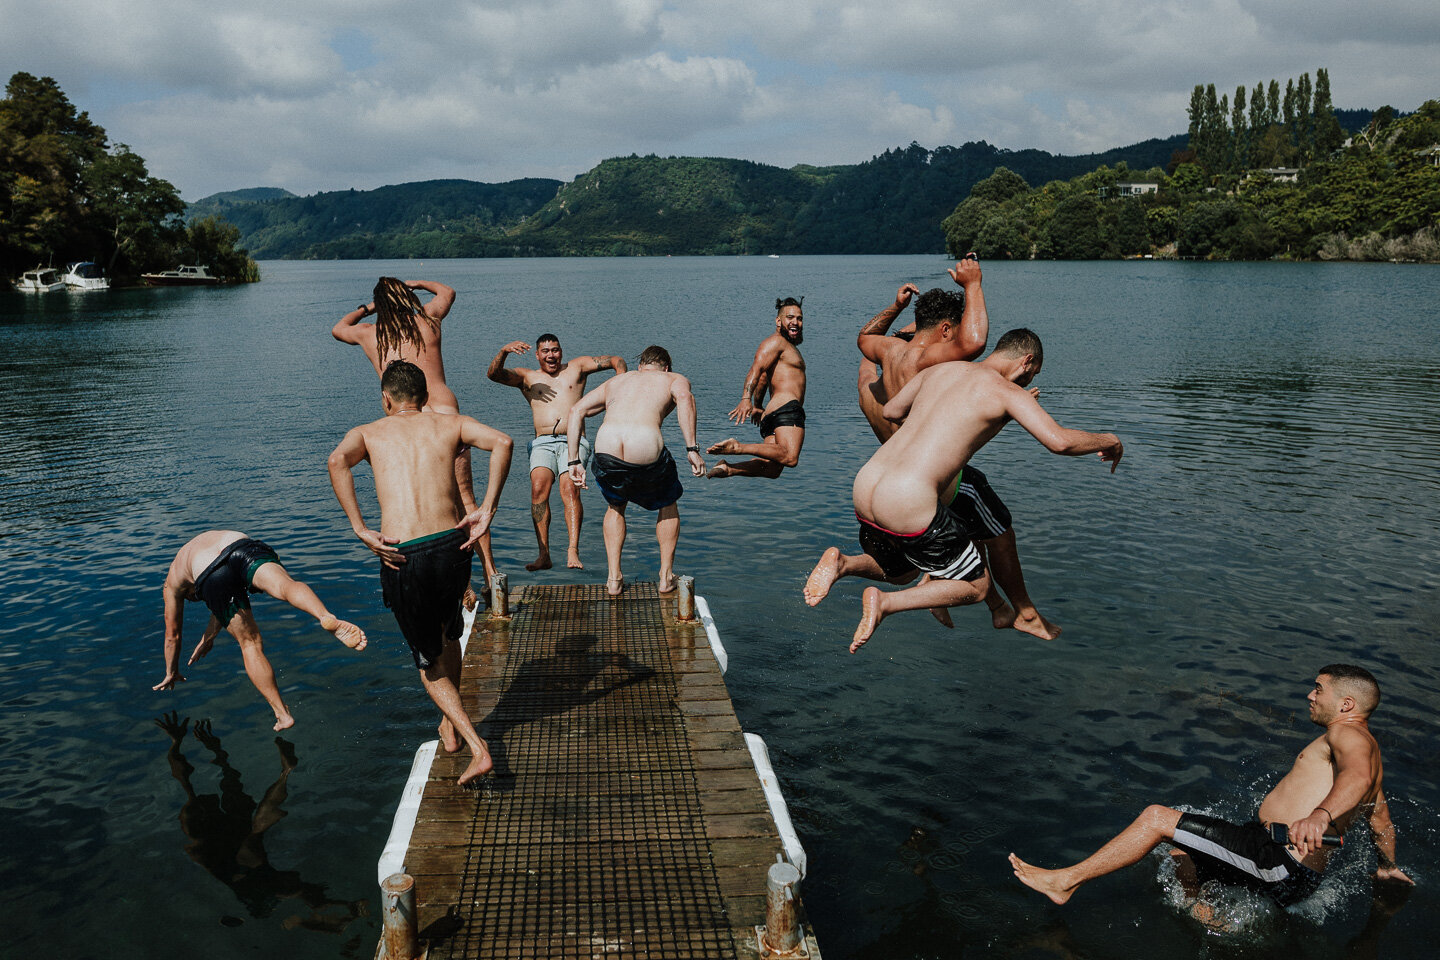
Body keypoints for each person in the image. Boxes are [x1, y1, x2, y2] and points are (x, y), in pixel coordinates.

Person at [804, 329, 1122, 651]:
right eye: (1032, 374)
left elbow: (891, 411)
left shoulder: (939, 371)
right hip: (907, 500)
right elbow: (1061, 441)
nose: (1027, 382)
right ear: (1026, 362)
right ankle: (885, 604)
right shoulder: (1008, 392)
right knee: (976, 586)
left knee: (901, 572)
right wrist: (1110, 439)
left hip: (867, 485)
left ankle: (842, 563)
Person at [1009, 665, 1414, 909]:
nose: (1310, 695)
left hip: (1277, 860)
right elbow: (1379, 818)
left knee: (1156, 818)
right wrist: (1387, 866)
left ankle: (1065, 882)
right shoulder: (1369, 751)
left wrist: (1320, 816)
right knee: (1180, 853)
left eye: (1318, 689)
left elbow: (1354, 778)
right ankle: (1207, 918)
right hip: (1284, 866)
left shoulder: (1350, 739)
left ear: (1346, 704)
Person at [327, 360, 513, 786]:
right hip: (452, 547)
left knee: (428, 664)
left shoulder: (368, 432)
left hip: (403, 555)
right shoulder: (450, 424)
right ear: (426, 398)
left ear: (386, 398)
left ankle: (479, 748)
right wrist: (486, 511)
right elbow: (503, 441)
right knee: (449, 634)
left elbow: (338, 462)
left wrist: (359, 528)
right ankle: (449, 727)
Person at [857, 259, 1059, 640]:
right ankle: (1017, 610)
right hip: (925, 478)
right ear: (945, 329)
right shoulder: (931, 361)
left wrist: (896, 308)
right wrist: (973, 284)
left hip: (887, 475)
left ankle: (986, 603)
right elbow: (976, 343)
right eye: (953, 333)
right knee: (996, 527)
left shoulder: (881, 361)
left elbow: (864, 338)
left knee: (952, 537)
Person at [331, 277, 499, 601]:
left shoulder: (370, 334)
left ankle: (462, 586)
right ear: (407, 297)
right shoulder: (428, 320)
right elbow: (448, 292)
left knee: (425, 500)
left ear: (380, 304)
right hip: (446, 415)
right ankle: (490, 574)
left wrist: (370, 307)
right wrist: (417, 284)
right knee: (465, 499)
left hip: (405, 421)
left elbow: (339, 328)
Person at [155, 530, 367, 731]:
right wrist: (208, 637)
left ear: (189, 592)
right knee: (285, 586)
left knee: (250, 645)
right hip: (241, 546)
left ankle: (282, 714)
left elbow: (172, 635)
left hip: (208, 572)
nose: (197, 598)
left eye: (195, 597)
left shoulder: (172, 584)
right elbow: (221, 604)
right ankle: (325, 616)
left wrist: (171, 671)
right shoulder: (196, 544)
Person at [565, 345, 705, 596]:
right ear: (666, 367)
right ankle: (665, 576)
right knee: (669, 501)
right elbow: (685, 399)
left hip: (606, 449)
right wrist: (692, 447)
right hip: (644, 447)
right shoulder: (673, 378)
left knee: (616, 505)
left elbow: (576, 410)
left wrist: (573, 461)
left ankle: (614, 579)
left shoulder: (618, 380)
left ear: (640, 366)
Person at [487, 334, 626, 571]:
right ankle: (544, 555)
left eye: (555, 350)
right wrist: (504, 351)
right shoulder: (526, 377)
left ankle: (573, 549)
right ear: (537, 354)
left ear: (561, 351)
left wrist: (621, 388)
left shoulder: (577, 367)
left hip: (574, 440)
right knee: (538, 487)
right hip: (542, 442)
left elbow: (616, 360)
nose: (551, 355)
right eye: (545, 351)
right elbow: (493, 375)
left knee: (569, 488)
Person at [706, 296, 807, 478]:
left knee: (772, 469)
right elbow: (756, 369)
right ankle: (738, 447)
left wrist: (758, 405)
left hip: (773, 413)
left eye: (799, 318)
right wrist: (746, 399)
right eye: (790, 317)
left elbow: (762, 378)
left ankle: (728, 469)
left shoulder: (784, 347)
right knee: (790, 457)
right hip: (787, 410)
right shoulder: (776, 342)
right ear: (778, 321)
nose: (796, 322)